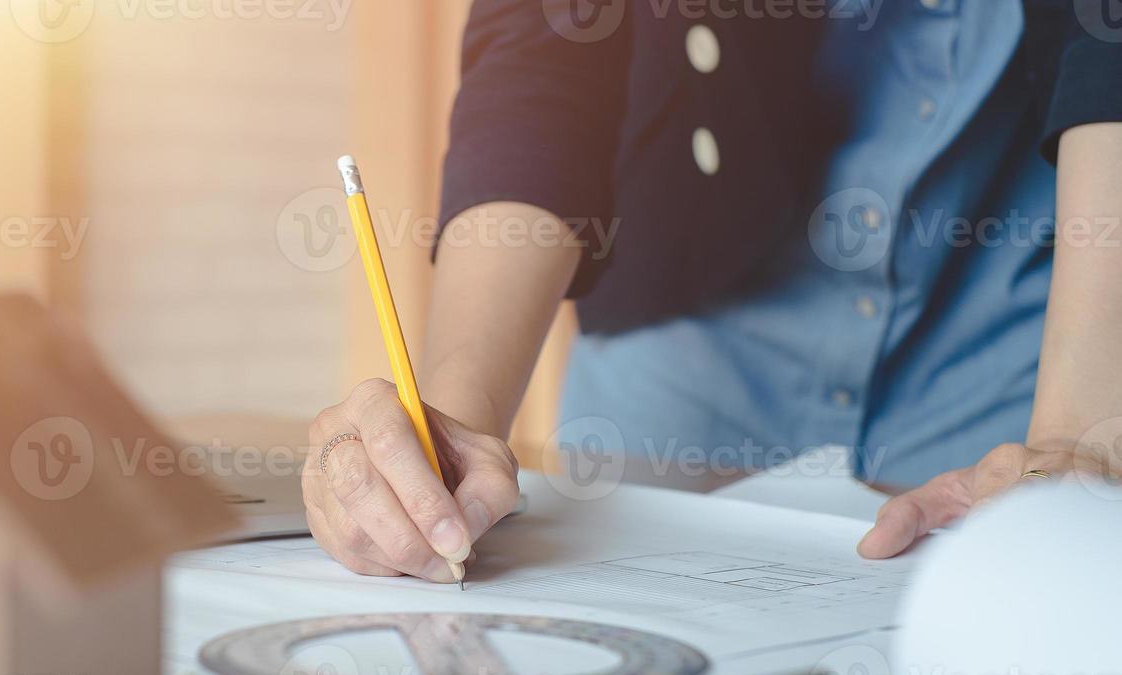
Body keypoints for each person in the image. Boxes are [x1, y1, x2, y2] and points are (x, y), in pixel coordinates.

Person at [305, 0, 1122, 583]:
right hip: (691, 326)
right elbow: (549, 50)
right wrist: (451, 425)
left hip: (1014, 330)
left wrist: (1079, 441)